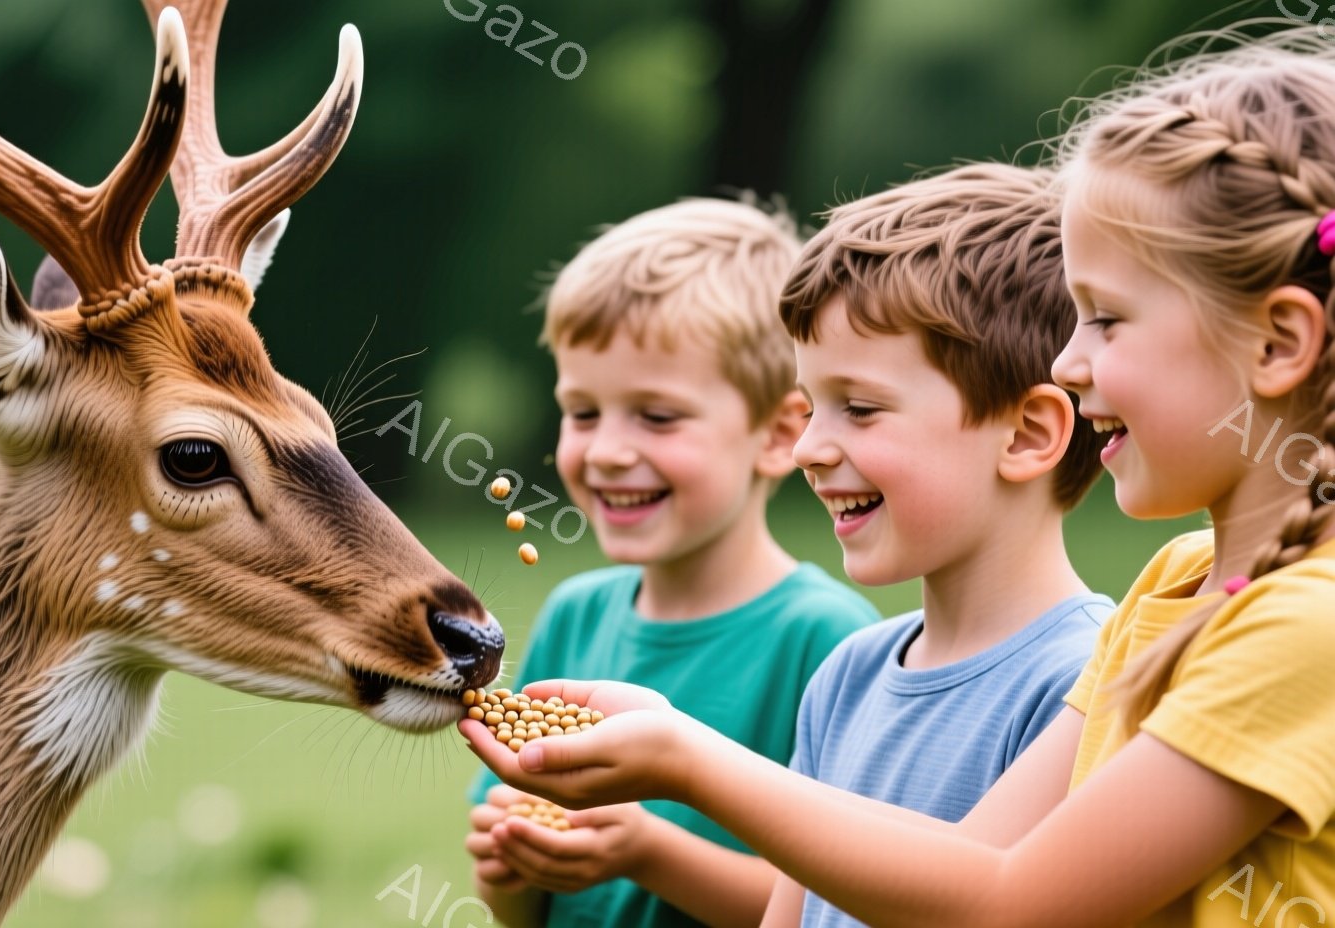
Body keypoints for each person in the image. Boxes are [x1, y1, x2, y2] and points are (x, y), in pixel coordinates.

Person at [464, 29, 1335, 928]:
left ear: (1278, 342)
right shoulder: (1174, 585)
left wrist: (686, 763)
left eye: (1107, 320)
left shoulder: (1307, 630)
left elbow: (1006, 903)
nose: (1071, 362)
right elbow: (967, 862)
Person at [465, 196, 880, 928]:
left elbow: (845, 900)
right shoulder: (575, 615)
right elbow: (520, 909)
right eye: (583, 412)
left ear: (780, 433)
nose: (607, 450)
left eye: (657, 416)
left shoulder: (827, 639)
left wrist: (647, 853)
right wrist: (510, 869)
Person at [765, 162, 1112, 927]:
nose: (809, 449)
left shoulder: (1087, 686)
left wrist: (686, 764)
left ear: (1025, 434)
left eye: (857, 408)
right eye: (809, 408)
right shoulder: (847, 675)